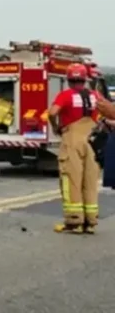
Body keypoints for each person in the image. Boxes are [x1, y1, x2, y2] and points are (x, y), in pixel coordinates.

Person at [46, 63, 111, 234]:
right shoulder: (95, 95)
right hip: (92, 141)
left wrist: (56, 127)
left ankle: (74, 221)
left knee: (71, 179)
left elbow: (52, 113)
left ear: (68, 79)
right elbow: (107, 113)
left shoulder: (65, 95)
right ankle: (90, 222)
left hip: (72, 139)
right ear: (85, 79)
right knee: (90, 181)